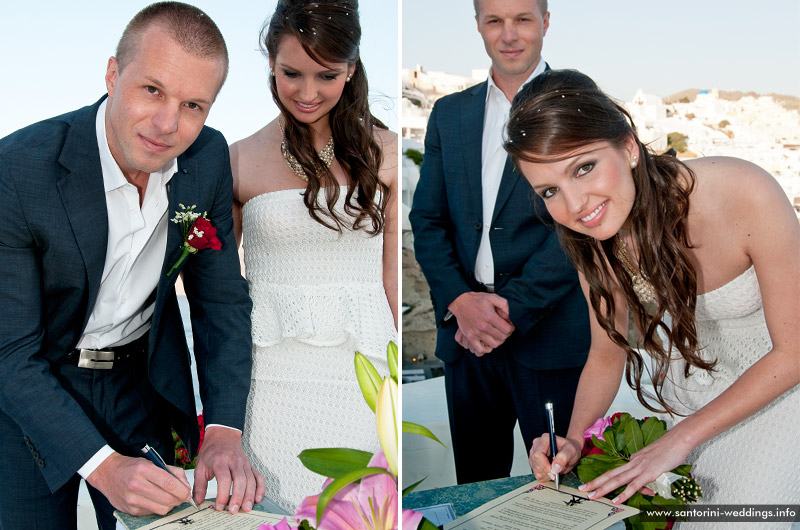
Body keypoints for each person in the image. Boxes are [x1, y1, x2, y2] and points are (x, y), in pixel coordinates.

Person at [0, 3, 266, 529]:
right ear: (112, 74)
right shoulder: (17, 172)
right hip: (30, 389)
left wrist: (223, 431)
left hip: (140, 383)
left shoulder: (206, 158)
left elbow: (220, 302)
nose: (168, 125)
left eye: (193, 105)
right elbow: (9, 351)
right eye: (152, 91)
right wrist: (103, 466)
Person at [509, 69, 800, 523]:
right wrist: (572, 438)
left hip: (782, 398)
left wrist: (678, 441)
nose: (576, 204)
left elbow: (795, 352)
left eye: (583, 168)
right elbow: (606, 356)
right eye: (550, 191)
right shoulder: (595, 240)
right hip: (692, 406)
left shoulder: (744, 192)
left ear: (627, 147)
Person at [408, 0, 590, 485]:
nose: (509, 34)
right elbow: (426, 219)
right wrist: (461, 302)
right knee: (476, 483)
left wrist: (509, 309)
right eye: (495, 20)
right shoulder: (449, 113)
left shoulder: (576, 98)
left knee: (561, 488)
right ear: (478, 26)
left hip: (549, 333)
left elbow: (582, 220)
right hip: (467, 341)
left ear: (545, 22)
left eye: (523, 19)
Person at [229, 0, 398, 511]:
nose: (307, 93)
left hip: (362, 381)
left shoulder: (386, 152)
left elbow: (393, 279)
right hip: (267, 386)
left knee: (352, 514)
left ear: (351, 69)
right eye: (290, 73)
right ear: (270, 63)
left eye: (326, 75)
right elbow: (218, 292)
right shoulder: (236, 158)